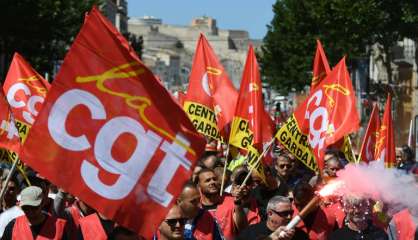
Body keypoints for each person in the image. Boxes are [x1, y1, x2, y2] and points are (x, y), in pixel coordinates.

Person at [196, 168, 247, 239]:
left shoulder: (231, 201)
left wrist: (238, 203)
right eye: (207, 180)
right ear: (199, 186)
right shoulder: (196, 208)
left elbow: (243, 228)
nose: (212, 182)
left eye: (214, 179)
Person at [2, 186, 68, 240]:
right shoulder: (13, 226)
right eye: (26, 208)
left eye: (34, 207)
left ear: (42, 203)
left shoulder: (59, 227)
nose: (30, 212)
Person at [236, 196, 308, 240]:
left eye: (291, 213)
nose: (289, 217)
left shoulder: (300, 236)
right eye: (285, 213)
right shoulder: (250, 233)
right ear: (270, 213)